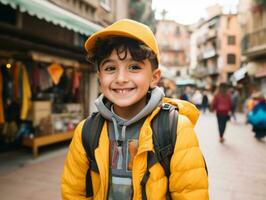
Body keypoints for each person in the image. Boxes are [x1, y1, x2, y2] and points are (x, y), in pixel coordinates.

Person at [61, 19, 209, 199]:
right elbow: (72, 193)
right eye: (110, 68)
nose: (121, 78)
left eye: (134, 67)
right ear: (100, 79)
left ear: (154, 77)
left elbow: (191, 194)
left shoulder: (176, 129)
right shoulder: (86, 131)